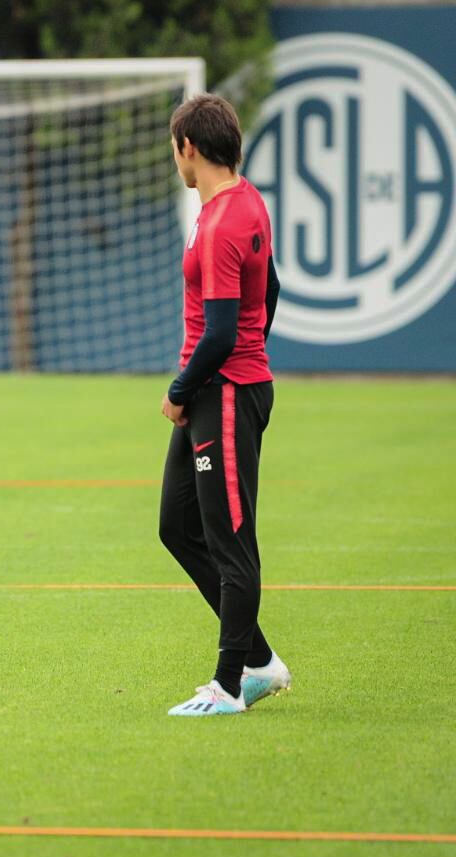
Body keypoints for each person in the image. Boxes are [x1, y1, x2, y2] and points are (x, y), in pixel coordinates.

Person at [159, 94, 291, 717]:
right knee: (176, 525)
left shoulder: (219, 223)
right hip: (223, 389)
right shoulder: (242, 199)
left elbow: (217, 333)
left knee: (231, 543)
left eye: (174, 148)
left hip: (222, 393)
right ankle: (261, 661)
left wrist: (183, 391)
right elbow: (272, 291)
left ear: (189, 147)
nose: (175, 159)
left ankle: (231, 683)